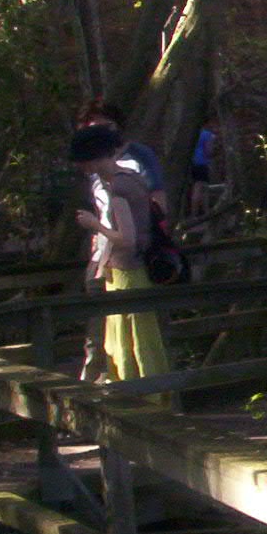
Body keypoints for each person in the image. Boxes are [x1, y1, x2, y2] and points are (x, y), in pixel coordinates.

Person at [69, 124, 171, 385]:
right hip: (133, 268)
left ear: (89, 160)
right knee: (135, 338)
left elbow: (127, 239)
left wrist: (95, 225)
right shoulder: (133, 177)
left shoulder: (119, 188)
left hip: (127, 271)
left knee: (131, 341)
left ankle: (140, 396)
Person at [77, 100, 169, 214]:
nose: (103, 133)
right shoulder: (89, 164)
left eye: (108, 126)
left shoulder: (140, 154)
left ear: (118, 125)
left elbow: (159, 200)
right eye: (96, 129)